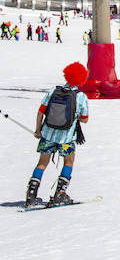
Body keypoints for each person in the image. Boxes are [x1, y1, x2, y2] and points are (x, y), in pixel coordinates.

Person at [25, 62, 90, 208]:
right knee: (68, 162)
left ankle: (31, 194)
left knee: (42, 163)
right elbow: (85, 119)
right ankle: (60, 193)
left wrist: (38, 130)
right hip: (66, 138)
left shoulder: (54, 90)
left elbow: (41, 110)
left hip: (48, 134)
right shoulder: (80, 96)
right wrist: (76, 116)